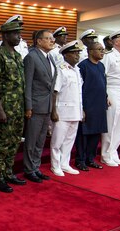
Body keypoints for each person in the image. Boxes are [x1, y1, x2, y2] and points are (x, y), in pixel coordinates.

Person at [0, 16, 27, 193]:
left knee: (14, 142)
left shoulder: (18, 55)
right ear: (5, 36)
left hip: (18, 107)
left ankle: (8, 172)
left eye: (19, 33)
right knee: (1, 144)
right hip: (5, 107)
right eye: (15, 33)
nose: (19, 36)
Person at [23, 29, 57, 182]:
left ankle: (35, 167)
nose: (52, 41)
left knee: (40, 140)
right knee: (31, 140)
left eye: (52, 38)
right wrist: (28, 106)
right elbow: (28, 84)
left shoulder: (50, 58)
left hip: (47, 105)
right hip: (35, 106)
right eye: (48, 38)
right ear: (39, 41)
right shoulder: (31, 56)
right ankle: (29, 169)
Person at [100, 28, 120, 166]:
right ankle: (105, 155)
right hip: (112, 91)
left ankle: (113, 153)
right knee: (111, 124)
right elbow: (102, 77)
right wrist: (105, 94)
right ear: (116, 41)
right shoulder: (108, 56)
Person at [50, 41, 83, 176]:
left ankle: (65, 163)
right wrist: (53, 111)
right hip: (62, 111)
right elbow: (54, 91)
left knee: (69, 139)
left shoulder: (77, 70)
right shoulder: (61, 70)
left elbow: (79, 93)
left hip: (75, 110)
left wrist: (82, 110)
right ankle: (55, 165)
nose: (77, 56)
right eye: (74, 53)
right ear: (66, 55)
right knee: (57, 140)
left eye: (78, 53)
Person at [75, 42, 108, 171]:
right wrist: (81, 107)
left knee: (95, 133)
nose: (102, 52)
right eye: (99, 49)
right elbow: (80, 88)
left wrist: (106, 97)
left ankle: (90, 158)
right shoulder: (83, 66)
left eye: (103, 49)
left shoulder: (101, 66)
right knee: (84, 134)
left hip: (99, 104)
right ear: (90, 51)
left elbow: (103, 83)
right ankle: (80, 160)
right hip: (88, 105)